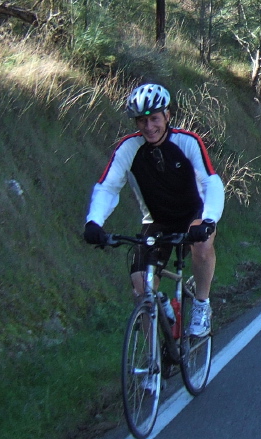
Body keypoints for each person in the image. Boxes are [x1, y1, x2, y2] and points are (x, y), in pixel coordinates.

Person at [83, 83, 225, 337]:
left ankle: (202, 305)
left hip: (194, 215)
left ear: (167, 116)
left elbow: (211, 182)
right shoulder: (128, 148)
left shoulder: (187, 141)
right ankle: (151, 367)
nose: (149, 127)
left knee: (202, 247)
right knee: (141, 290)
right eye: (142, 121)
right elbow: (107, 187)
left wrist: (209, 220)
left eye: (154, 119)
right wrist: (94, 222)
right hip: (157, 221)